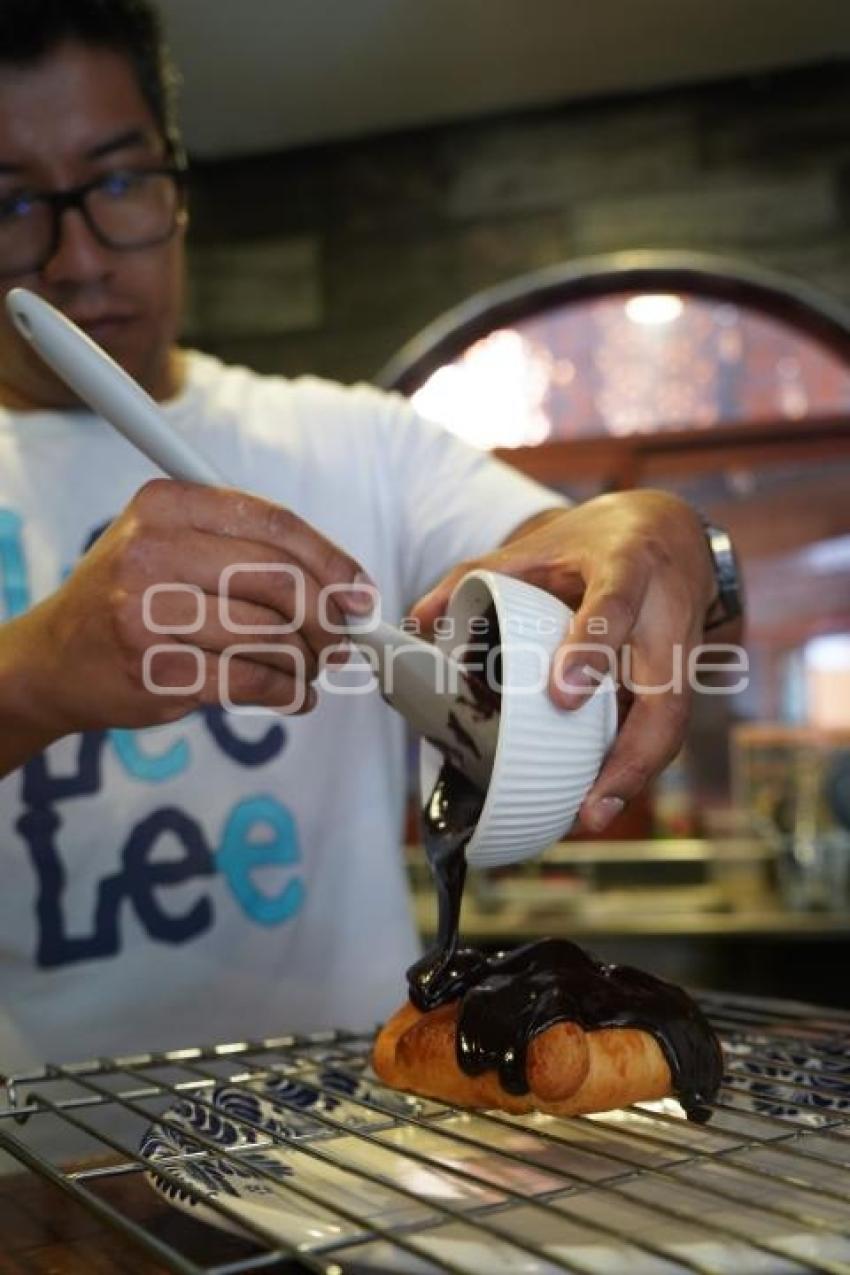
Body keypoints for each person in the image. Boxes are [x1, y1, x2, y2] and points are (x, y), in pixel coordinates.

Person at [0, 0, 737, 1094]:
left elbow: (551, 552)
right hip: (46, 1177)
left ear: (178, 185)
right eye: (11, 200)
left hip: (355, 1157)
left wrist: (661, 540)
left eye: (116, 183)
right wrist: (31, 678)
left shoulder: (358, 442)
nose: (74, 258)